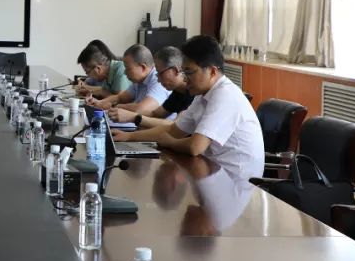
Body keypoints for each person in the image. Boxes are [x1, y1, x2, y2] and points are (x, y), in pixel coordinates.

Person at [119, 36, 263, 181]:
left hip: (236, 180)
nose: (185, 78)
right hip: (213, 171)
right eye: (184, 72)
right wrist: (129, 137)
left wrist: (168, 141)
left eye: (189, 72)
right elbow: (174, 130)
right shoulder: (202, 95)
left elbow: (195, 147)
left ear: (212, 72)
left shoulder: (225, 95)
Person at [109, 46, 194, 127]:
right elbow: (155, 114)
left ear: (175, 70)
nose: (158, 80)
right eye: (157, 74)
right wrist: (126, 115)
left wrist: (133, 117)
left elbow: (176, 126)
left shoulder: (194, 93)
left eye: (161, 74)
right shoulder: (178, 93)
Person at [88, 45, 170, 115]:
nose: (125, 72)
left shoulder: (158, 81)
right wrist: (100, 102)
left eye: (128, 69)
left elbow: (141, 109)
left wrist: (114, 106)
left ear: (143, 67)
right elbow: (120, 98)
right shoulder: (138, 81)